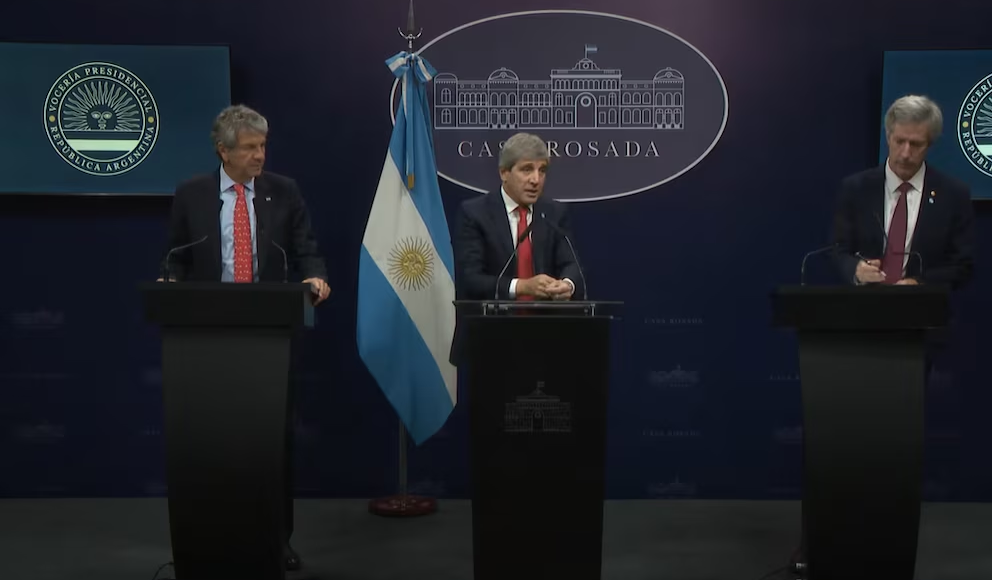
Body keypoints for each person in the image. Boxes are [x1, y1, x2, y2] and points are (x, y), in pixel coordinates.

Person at [158, 104, 329, 571]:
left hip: (269, 334)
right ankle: (209, 538)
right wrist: (170, 280)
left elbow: (305, 248)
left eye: (263, 146)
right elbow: (176, 256)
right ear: (223, 151)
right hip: (206, 337)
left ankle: (277, 539)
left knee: (271, 444)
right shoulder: (191, 194)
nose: (260, 155)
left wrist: (315, 277)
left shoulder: (283, 191)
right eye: (250, 148)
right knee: (212, 441)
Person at [449, 132, 583, 364]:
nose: (536, 180)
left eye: (542, 170)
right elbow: (471, 279)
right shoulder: (475, 214)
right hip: (490, 342)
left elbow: (571, 264)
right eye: (526, 169)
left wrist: (566, 284)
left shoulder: (553, 213)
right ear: (504, 173)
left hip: (547, 342)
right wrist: (522, 286)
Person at [832, 95, 974, 287]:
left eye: (916, 144)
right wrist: (856, 269)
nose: (906, 153)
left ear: (930, 144)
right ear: (888, 137)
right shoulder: (856, 189)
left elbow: (962, 265)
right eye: (899, 141)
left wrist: (919, 283)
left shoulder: (953, 195)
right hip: (864, 302)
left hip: (924, 304)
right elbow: (838, 250)